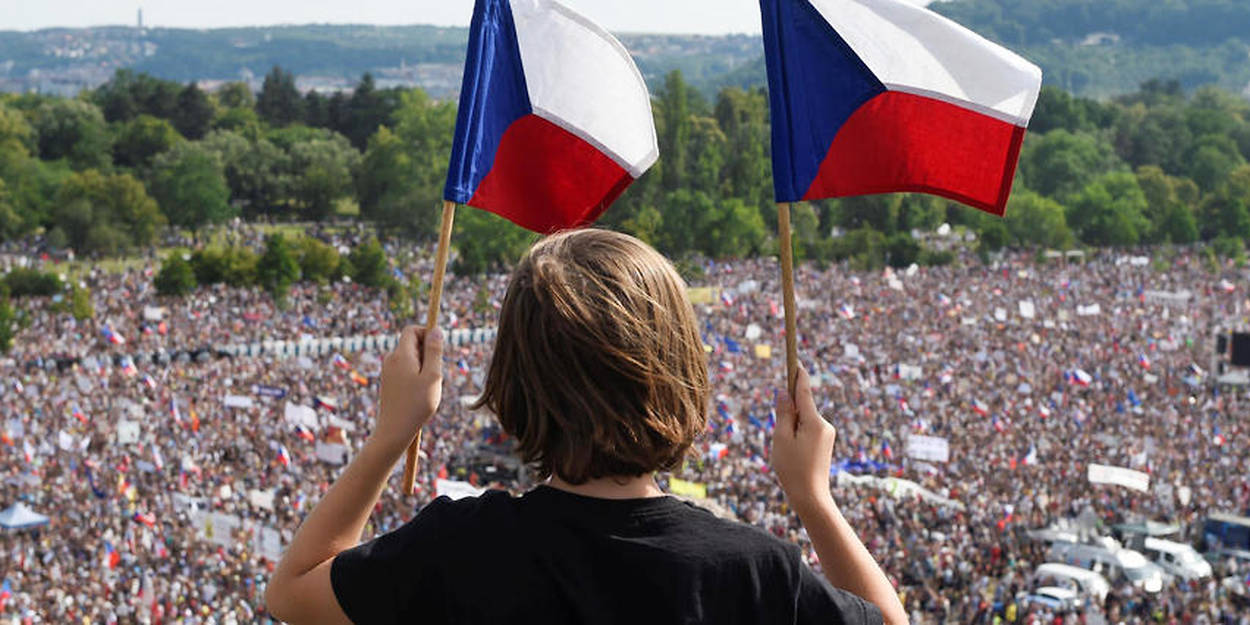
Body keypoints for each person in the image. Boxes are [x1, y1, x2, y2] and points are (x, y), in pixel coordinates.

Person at [265, 228, 905, 625]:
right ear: (681, 371)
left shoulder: (458, 550)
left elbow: (292, 594)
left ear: (513, 380)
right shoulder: (754, 571)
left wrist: (392, 435)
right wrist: (813, 500)